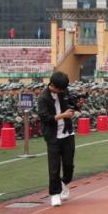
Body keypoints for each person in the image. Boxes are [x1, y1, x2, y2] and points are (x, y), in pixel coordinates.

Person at [37, 71, 80, 207]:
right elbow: (45, 118)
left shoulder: (64, 90)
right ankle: (55, 194)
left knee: (69, 165)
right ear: (53, 86)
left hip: (67, 133)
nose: (62, 91)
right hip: (53, 135)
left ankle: (63, 183)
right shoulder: (43, 98)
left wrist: (77, 105)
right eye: (60, 89)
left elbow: (72, 105)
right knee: (54, 166)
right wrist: (63, 115)